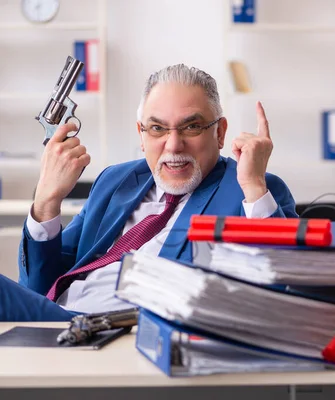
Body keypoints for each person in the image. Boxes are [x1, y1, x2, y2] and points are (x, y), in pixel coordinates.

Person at [0, 64, 297, 322]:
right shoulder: (114, 181)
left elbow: (289, 291)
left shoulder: (248, 189)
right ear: (141, 135)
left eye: (191, 127)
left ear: (220, 133)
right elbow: (37, 287)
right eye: (157, 128)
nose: (173, 145)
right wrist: (46, 202)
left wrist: (255, 188)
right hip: (58, 326)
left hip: (127, 332)